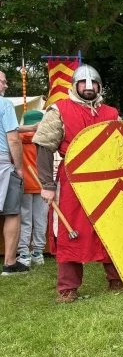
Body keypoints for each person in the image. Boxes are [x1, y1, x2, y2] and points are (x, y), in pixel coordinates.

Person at [33, 65, 123, 301]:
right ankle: (68, 288)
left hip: (109, 183)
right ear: (75, 85)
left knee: (112, 228)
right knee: (70, 231)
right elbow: (44, 146)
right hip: (73, 182)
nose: (89, 87)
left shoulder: (111, 113)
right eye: (83, 83)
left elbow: (121, 149)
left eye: (93, 83)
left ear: (100, 86)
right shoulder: (59, 110)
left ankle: (117, 280)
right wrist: (47, 185)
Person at [0, 70, 28, 275]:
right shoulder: (5, 105)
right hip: (2, 163)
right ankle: (10, 262)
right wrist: (19, 167)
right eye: (2, 82)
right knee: (12, 211)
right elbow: (13, 139)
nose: (6, 85)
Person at [18, 109, 47, 266]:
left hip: (23, 184)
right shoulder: (45, 139)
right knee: (41, 219)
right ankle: (38, 253)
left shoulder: (16, 137)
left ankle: (24, 254)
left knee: (25, 220)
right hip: (42, 184)